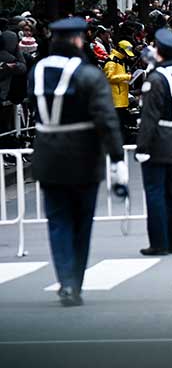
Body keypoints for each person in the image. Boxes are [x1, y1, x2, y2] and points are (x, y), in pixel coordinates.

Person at [27, 17, 127, 307]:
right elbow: (107, 120)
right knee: (82, 223)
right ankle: (75, 283)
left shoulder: (38, 70)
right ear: (76, 41)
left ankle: (65, 281)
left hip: (47, 155)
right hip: (84, 156)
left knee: (57, 222)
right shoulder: (88, 74)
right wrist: (117, 157)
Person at [134, 29, 172, 256]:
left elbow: (149, 116)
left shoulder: (155, 79)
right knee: (171, 191)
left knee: (155, 192)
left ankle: (159, 242)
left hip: (158, 137)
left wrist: (142, 146)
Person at [103, 40, 134, 140]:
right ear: (120, 50)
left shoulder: (121, 60)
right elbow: (109, 77)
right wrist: (126, 76)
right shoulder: (112, 61)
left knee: (122, 123)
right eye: (125, 53)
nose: (126, 55)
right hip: (115, 99)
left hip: (121, 98)